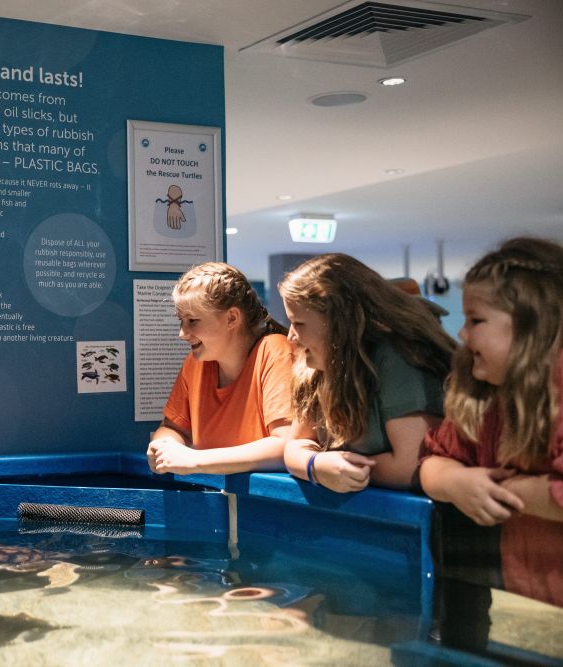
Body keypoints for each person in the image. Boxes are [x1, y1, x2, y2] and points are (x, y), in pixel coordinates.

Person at [419, 237, 563, 607]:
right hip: (529, 597)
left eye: (476, 320)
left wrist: (504, 490)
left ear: (535, 323)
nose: (463, 334)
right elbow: (434, 458)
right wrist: (455, 481)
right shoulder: (488, 397)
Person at [279, 253, 455, 492]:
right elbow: (296, 444)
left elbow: (411, 465)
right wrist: (315, 465)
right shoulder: (314, 367)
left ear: (340, 323)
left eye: (298, 323)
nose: (290, 337)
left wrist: (340, 469)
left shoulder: (397, 357)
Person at [147, 262, 293, 476]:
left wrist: (195, 460)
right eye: (181, 321)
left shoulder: (274, 351)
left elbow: (286, 446)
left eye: (193, 321)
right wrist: (163, 447)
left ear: (232, 318)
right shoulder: (195, 363)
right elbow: (173, 428)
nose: (182, 333)